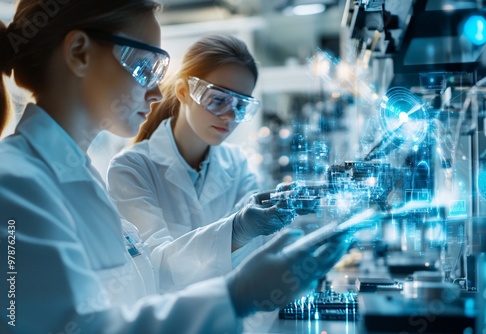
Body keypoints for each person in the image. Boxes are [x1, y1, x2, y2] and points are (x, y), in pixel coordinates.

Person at [0, 1, 349, 333]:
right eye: (144, 67)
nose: (155, 93)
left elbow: (141, 294)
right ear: (79, 53)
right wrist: (235, 296)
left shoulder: (78, 178)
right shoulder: (15, 186)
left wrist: (249, 242)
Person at [107, 34, 282, 292]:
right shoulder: (130, 169)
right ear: (183, 91)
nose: (230, 116)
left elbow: (258, 257)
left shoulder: (238, 165)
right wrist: (235, 232)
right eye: (218, 99)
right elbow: (153, 268)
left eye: (241, 105)